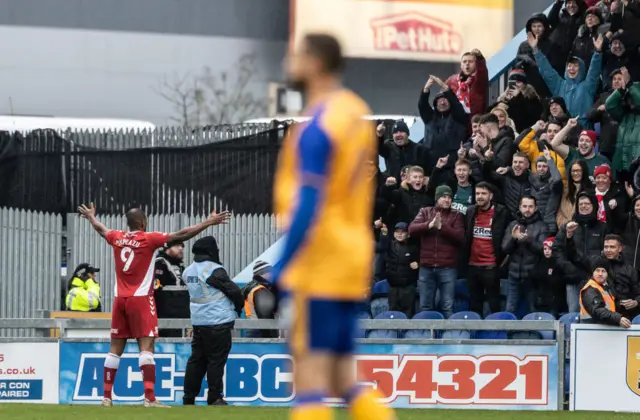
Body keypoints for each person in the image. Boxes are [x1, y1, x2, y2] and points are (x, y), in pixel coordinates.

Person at [270, 33, 395, 420]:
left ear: (315, 62)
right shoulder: (355, 112)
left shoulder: (317, 125)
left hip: (318, 259)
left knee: (308, 379)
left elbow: (310, 200)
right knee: (344, 379)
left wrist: (279, 268)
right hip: (351, 255)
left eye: (296, 55)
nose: (288, 62)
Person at [76, 202, 231, 408]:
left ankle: (106, 397)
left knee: (114, 349)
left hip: (119, 299)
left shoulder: (117, 237)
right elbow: (181, 234)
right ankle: (149, 398)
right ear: (143, 222)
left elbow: (101, 229)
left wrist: (91, 218)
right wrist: (208, 222)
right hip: (140, 299)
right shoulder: (148, 239)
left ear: (128, 223)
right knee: (147, 347)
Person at [182, 236, 244, 406]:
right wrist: (238, 307)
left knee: (197, 360)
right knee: (216, 360)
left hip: (199, 322)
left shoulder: (188, 271)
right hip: (218, 321)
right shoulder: (214, 269)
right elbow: (233, 291)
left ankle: (188, 397)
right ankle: (215, 397)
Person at [409, 185, 465, 318]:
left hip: (447, 268)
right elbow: (411, 229)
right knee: (425, 306)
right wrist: (428, 225)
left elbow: (461, 238)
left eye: (449, 197)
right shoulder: (425, 211)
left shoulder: (457, 215)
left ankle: (448, 337)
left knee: (447, 306)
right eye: (443, 197)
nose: (447, 200)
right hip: (426, 267)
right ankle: (426, 337)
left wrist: (442, 227)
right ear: (437, 198)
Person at [463, 182, 512, 315]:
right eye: (477, 193)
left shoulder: (502, 212)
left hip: (491, 266)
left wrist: (502, 262)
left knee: (494, 303)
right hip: (472, 265)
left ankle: (495, 333)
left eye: (483, 193)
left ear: (491, 196)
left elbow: (506, 239)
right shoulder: (470, 211)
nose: (480, 196)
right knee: (474, 303)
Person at [579, 257, 632, 328]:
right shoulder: (590, 289)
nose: (600, 274)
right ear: (593, 273)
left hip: (604, 327)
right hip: (591, 329)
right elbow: (597, 310)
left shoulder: (605, 287)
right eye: (597, 270)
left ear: (607, 274)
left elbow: (612, 305)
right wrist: (618, 318)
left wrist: (627, 305)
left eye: (603, 271)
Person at [154, 241, 189, 338]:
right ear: (167, 248)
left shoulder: (179, 266)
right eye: (177, 245)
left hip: (180, 318)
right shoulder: (160, 264)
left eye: (182, 246)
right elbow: (155, 289)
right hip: (165, 319)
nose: (181, 248)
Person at [242, 260, 278, 338]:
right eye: (270, 272)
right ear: (263, 273)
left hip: (252, 329)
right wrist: (271, 337)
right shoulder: (260, 290)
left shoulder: (251, 287)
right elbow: (265, 316)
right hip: (261, 332)